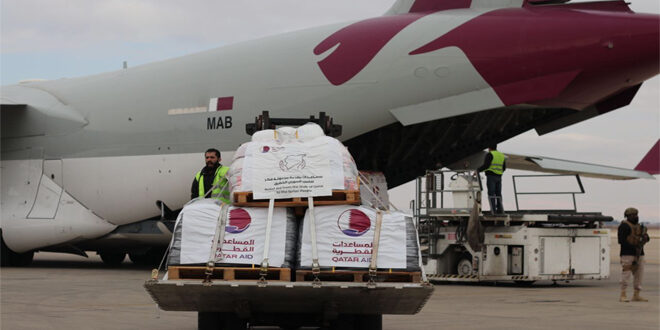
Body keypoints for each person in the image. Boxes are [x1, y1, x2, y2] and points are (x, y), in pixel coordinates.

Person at [618, 207, 650, 302]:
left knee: (639, 274)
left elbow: (647, 238)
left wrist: (645, 238)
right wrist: (634, 247)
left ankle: (636, 295)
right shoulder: (624, 226)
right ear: (627, 216)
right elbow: (621, 241)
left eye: (636, 215)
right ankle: (623, 294)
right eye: (633, 215)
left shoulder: (640, 227)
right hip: (627, 253)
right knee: (626, 273)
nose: (635, 217)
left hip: (639, 253)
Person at [477, 145, 506, 214]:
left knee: (491, 193)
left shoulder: (490, 154)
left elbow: (486, 165)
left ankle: (493, 210)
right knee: (498, 194)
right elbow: (504, 167)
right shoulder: (502, 155)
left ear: (489, 148)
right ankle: (500, 210)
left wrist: (477, 170)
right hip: (499, 177)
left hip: (491, 176)